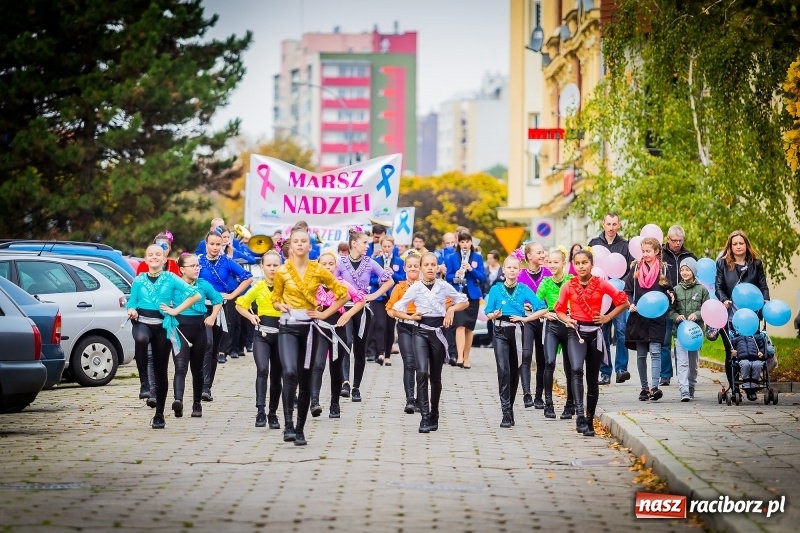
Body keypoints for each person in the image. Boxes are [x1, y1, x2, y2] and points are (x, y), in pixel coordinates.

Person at [271, 229, 350, 446]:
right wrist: (281, 305)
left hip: (310, 329)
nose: (299, 244)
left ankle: (300, 428)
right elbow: (274, 298)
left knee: (305, 379)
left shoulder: (318, 270)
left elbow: (343, 294)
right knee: (289, 372)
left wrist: (325, 314)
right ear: (290, 245)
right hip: (287, 327)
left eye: (303, 241)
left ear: (309, 246)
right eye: (295, 241)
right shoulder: (282, 271)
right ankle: (288, 424)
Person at [555, 249, 629, 437]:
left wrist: (608, 317)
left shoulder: (601, 284)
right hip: (576, 333)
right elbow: (559, 310)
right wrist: (567, 320)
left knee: (592, 380)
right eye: (577, 263)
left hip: (596, 334)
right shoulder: (568, 286)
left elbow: (623, 302)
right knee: (576, 370)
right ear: (573, 265)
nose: (581, 266)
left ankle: (589, 421)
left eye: (584, 263)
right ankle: (579, 416)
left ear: (591, 264)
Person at [392, 252, 468, 433]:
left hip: (439, 332)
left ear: (437, 267)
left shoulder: (443, 286)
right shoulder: (416, 287)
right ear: (420, 268)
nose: (430, 268)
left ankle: (435, 413)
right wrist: (410, 316)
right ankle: (424, 417)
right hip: (420, 331)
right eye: (426, 265)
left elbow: (463, 301)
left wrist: (451, 311)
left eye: (433, 264)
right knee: (422, 372)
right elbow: (396, 308)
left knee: (435, 376)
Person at [127, 245, 201, 428]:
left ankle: (159, 414)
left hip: (163, 326)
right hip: (142, 322)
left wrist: (175, 310)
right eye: (150, 255)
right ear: (145, 260)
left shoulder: (171, 278)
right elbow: (131, 302)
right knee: (141, 339)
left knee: (161, 371)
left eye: (158, 254)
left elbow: (195, 295)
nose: (154, 257)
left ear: (164, 259)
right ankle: (144, 381)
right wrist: (131, 310)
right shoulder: (138, 280)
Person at [484, 256, 548, 428]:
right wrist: (494, 315)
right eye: (509, 267)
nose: (512, 270)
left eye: (515, 268)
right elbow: (488, 312)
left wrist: (526, 319)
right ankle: (506, 412)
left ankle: (510, 407)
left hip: (517, 331)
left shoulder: (524, 289)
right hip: (499, 331)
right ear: (503, 270)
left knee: (514, 372)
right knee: (503, 370)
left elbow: (542, 307)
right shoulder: (496, 289)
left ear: (519, 271)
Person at [335, 229, 394, 402]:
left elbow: (388, 280)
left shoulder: (370, 262)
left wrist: (374, 295)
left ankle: (356, 387)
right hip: (345, 309)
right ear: (354, 244)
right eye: (365, 243)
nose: (367, 246)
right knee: (346, 343)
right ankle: (345, 382)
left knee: (360, 349)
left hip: (363, 310)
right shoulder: (341, 262)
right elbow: (332, 282)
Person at [198, 231, 253, 402]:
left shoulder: (227, 262)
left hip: (220, 308)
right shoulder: (198, 261)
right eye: (212, 244)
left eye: (218, 244)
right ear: (206, 244)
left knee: (214, 348)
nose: (215, 247)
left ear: (223, 244)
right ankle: (200, 384)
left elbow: (247, 277)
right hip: (200, 308)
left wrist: (231, 295)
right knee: (206, 344)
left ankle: (207, 387)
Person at [311, 251, 366, 419]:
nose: (327, 267)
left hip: (338, 329)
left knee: (336, 369)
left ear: (336, 266)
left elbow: (361, 299)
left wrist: (348, 315)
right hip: (320, 329)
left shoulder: (342, 284)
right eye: (324, 264)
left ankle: (335, 403)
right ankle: (314, 401)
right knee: (318, 364)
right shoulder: (312, 285)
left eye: (330, 264)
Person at [714, 229, 770, 392]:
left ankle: (751, 387)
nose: (738, 246)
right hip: (730, 314)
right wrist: (724, 299)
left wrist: (765, 301)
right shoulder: (722, 264)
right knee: (731, 352)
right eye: (735, 244)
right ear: (730, 247)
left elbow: (763, 286)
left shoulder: (756, 264)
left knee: (752, 350)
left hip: (750, 315)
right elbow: (718, 287)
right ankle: (735, 388)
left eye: (741, 243)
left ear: (746, 244)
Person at [169, 253, 223, 419]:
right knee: (180, 366)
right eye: (192, 266)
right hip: (179, 330)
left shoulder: (203, 285)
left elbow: (218, 299)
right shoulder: (173, 286)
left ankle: (197, 404)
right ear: (182, 269)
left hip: (199, 329)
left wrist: (213, 316)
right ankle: (178, 401)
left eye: (198, 266)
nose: (196, 269)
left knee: (197, 369)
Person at [235, 251, 284, 429]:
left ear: (281, 266)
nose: (272, 268)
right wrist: (251, 316)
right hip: (262, 335)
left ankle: (273, 413)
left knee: (277, 375)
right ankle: (260, 411)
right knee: (263, 369)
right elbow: (240, 304)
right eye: (268, 265)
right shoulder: (257, 287)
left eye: (275, 265)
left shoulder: (286, 287)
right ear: (262, 267)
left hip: (282, 336)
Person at [624, 237, 674, 402]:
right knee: (641, 355)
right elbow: (628, 290)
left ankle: (655, 387)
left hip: (657, 317)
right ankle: (644, 388)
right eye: (643, 251)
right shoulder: (636, 268)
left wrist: (670, 295)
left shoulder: (663, 270)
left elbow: (669, 290)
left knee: (655, 351)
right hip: (638, 316)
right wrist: (630, 303)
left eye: (648, 251)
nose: (645, 254)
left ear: (656, 251)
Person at [588, 213, 635, 385]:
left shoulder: (625, 245)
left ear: (619, 225)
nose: (611, 227)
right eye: (608, 224)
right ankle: (605, 372)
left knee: (622, 331)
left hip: (618, 295)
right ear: (603, 224)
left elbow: (631, 270)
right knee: (603, 334)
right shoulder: (594, 244)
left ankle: (621, 369)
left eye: (614, 224)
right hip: (600, 297)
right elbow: (588, 267)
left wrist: (623, 282)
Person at [536, 248, 576, 419]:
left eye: (555, 262)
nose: (552, 265)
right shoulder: (545, 283)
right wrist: (545, 313)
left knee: (570, 367)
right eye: (549, 262)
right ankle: (549, 404)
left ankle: (570, 405)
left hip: (568, 326)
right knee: (549, 362)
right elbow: (535, 304)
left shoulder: (571, 281)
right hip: (552, 326)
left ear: (563, 263)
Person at [659, 225, 697, 387]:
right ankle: (665, 375)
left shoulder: (689, 256)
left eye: (680, 241)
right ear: (668, 239)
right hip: (666, 304)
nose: (677, 244)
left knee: (683, 340)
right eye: (674, 240)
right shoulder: (660, 254)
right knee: (665, 341)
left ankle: (685, 373)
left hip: (685, 303)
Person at [516, 241, 552, 409]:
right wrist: (522, 305)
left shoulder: (548, 273)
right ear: (529, 256)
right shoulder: (521, 275)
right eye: (539, 253)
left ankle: (539, 396)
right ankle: (526, 394)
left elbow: (553, 296)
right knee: (526, 355)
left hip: (545, 320)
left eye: (543, 252)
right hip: (528, 321)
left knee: (542, 359)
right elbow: (514, 298)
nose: (543, 255)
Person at [386, 252, 422, 414]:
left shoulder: (428, 287)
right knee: (409, 362)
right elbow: (390, 308)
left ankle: (421, 400)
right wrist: (400, 314)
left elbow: (446, 303)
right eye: (410, 266)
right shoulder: (399, 287)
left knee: (422, 365)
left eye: (416, 266)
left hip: (423, 328)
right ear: (405, 268)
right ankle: (409, 399)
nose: (413, 268)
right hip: (404, 327)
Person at [668, 258, 708, 402]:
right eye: (682, 270)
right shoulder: (676, 290)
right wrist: (677, 316)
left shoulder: (702, 290)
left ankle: (691, 386)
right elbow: (670, 310)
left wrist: (697, 315)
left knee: (693, 363)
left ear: (693, 271)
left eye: (687, 270)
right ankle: (683, 389)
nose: (684, 272)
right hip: (680, 333)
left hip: (695, 334)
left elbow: (707, 309)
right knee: (682, 362)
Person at [445, 230, 485, 369]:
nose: (465, 244)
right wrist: (455, 274)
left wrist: (471, 270)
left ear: (471, 242)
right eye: (462, 242)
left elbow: (482, 277)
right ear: (459, 243)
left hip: (472, 296)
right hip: (458, 295)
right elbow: (447, 278)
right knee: (460, 325)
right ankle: (460, 357)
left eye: (467, 241)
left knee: (469, 328)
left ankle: (467, 357)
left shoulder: (477, 257)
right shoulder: (451, 257)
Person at [367, 235, 405, 366]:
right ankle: (380, 353)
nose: (387, 249)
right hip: (378, 296)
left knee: (390, 326)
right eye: (384, 246)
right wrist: (379, 279)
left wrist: (392, 274)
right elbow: (370, 279)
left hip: (392, 297)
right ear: (381, 247)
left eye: (389, 246)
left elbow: (402, 278)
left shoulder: (399, 262)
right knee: (380, 324)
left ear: (393, 247)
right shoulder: (376, 261)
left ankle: (388, 355)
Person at [730, 329, 774, 401]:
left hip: (756, 358)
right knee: (745, 364)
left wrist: (762, 352)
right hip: (742, 359)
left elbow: (762, 347)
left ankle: (754, 382)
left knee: (757, 365)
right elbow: (731, 349)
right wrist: (733, 353)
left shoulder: (757, 337)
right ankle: (746, 382)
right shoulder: (736, 339)